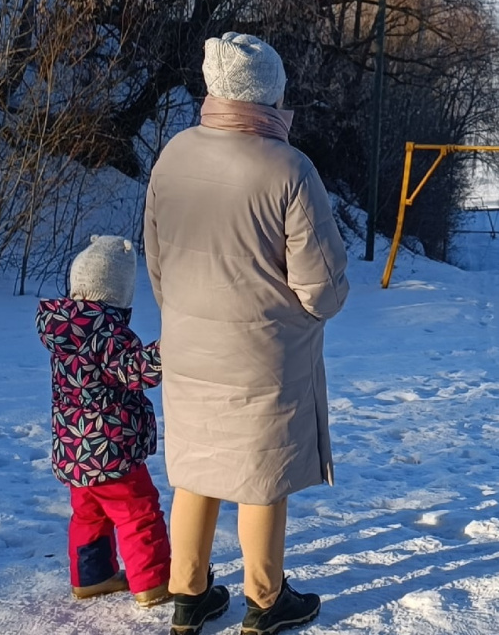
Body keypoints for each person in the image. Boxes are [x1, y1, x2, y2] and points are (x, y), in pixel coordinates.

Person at [144, 32, 350, 635]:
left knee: (196, 470)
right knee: (261, 477)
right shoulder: (288, 168)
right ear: (271, 94)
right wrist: (319, 308)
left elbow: (157, 263)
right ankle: (265, 601)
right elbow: (321, 286)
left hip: (187, 346)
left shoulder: (173, 154)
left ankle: (188, 596)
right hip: (265, 355)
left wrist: (184, 315)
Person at [35, 235, 172, 609]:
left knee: (88, 514)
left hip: (74, 450)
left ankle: (91, 578)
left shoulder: (64, 331)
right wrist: (172, 345)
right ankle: (153, 581)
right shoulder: (106, 332)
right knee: (138, 511)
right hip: (111, 448)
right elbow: (136, 371)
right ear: (119, 293)